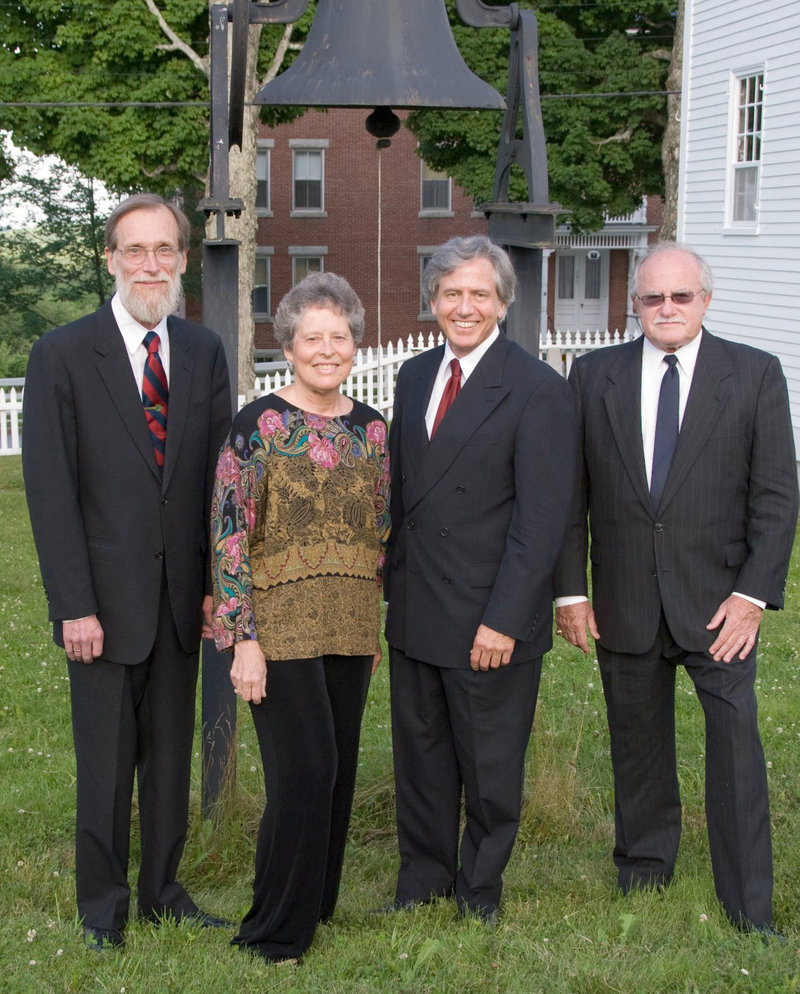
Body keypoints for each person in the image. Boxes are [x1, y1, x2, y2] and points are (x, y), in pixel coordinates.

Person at [554, 242, 798, 934]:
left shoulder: (752, 375)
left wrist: (752, 596)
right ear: (635, 305)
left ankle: (749, 901)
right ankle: (644, 869)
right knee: (636, 744)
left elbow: (778, 497)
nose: (667, 308)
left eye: (680, 297)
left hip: (720, 606)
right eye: (653, 298)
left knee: (736, 752)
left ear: (705, 301)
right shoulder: (593, 376)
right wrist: (571, 591)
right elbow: (571, 494)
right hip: (624, 600)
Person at [21, 193, 232, 951]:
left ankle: (163, 891)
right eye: (135, 250)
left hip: (182, 603)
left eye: (164, 250)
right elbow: (49, 493)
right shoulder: (62, 355)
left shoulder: (204, 353)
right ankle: (102, 908)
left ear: (181, 259)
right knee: (106, 768)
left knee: (171, 764)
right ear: (109, 259)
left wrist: (217, 589)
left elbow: (219, 483)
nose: (151, 264)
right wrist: (74, 604)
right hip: (102, 609)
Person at [383, 234, 577, 924]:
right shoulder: (412, 376)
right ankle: (422, 881)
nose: (465, 307)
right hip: (415, 609)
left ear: (502, 302)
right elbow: (402, 498)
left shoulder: (538, 391)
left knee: (489, 768)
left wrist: (503, 618)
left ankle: (479, 891)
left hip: (490, 614)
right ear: (434, 300)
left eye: (480, 294)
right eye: (452, 293)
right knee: (422, 758)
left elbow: (541, 522)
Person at [211, 271, 389, 964]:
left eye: (338, 337)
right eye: (311, 337)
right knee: (306, 769)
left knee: (338, 769)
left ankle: (315, 903)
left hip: (349, 623)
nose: (326, 349)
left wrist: (375, 627)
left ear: (354, 345)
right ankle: (274, 931)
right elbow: (229, 533)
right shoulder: (257, 426)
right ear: (288, 344)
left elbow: (382, 530)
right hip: (278, 626)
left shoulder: (373, 430)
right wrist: (242, 639)